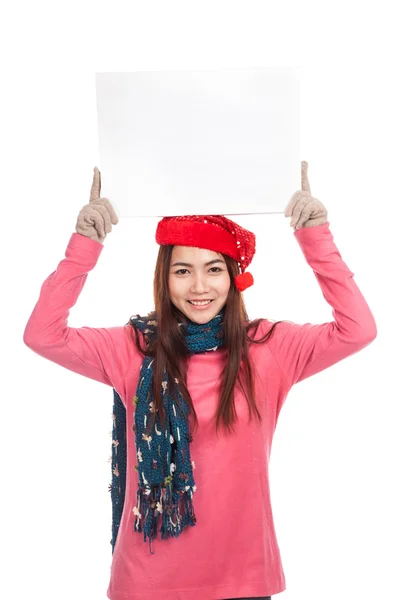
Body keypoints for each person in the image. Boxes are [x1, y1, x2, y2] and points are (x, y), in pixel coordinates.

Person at [23, 162, 377, 600]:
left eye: (213, 269)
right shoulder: (132, 348)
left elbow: (357, 329)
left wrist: (316, 236)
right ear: (164, 279)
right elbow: (42, 335)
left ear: (233, 277)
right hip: (147, 583)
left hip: (244, 578)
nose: (198, 287)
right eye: (182, 271)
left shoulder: (269, 348)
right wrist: (85, 246)